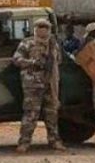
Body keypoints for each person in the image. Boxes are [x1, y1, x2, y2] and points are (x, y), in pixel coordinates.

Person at [12, 19, 66, 153]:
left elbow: (58, 61)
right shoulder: (27, 43)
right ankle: (24, 142)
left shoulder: (53, 44)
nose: (43, 30)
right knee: (31, 114)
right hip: (33, 84)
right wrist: (32, 62)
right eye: (40, 27)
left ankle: (54, 141)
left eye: (45, 27)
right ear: (35, 29)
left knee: (52, 114)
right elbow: (16, 60)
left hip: (50, 84)